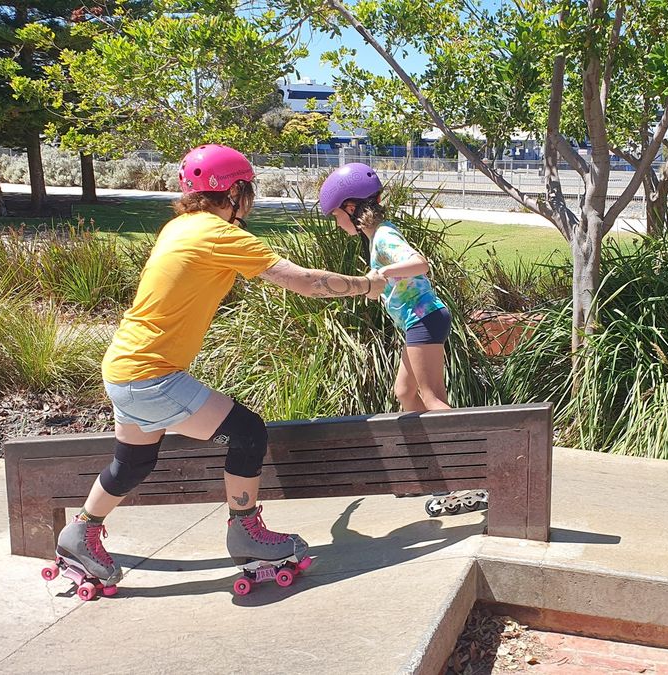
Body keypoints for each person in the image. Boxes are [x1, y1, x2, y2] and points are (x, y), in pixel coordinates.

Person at [53, 145, 386, 590]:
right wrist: (366, 285)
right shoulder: (217, 233)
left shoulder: (180, 226)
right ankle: (246, 534)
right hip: (151, 375)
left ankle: (80, 532)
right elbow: (302, 281)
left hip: (122, 368)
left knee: (133, 462)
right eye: (247, 191)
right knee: (247, 432)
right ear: (235, 190)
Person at [319, 164, 486, 517]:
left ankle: (471, 476)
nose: (336, 223)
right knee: (405, 393)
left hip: (423, 319)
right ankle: (431, 469)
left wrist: (381, 273)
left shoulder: (383, 236)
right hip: (418, 322)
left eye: (336, 214)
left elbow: (419, 263)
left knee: (431, 397)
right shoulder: (377, 237)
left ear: (351, 208)